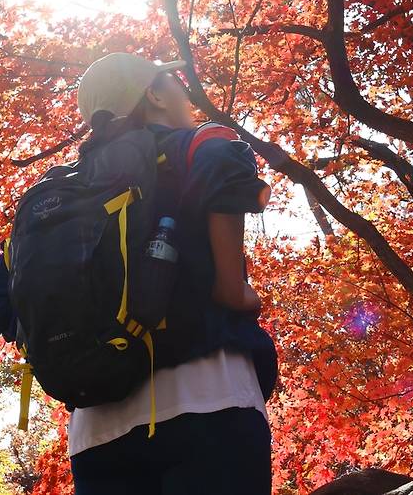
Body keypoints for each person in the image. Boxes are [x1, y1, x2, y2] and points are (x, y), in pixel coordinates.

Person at [69, 52, 277, 495]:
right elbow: (225, 163)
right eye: (176, 83)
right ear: (155, 94)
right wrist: (234, 290)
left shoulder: (64, 191)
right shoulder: (195, 146)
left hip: (96, 432)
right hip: (207, 399)